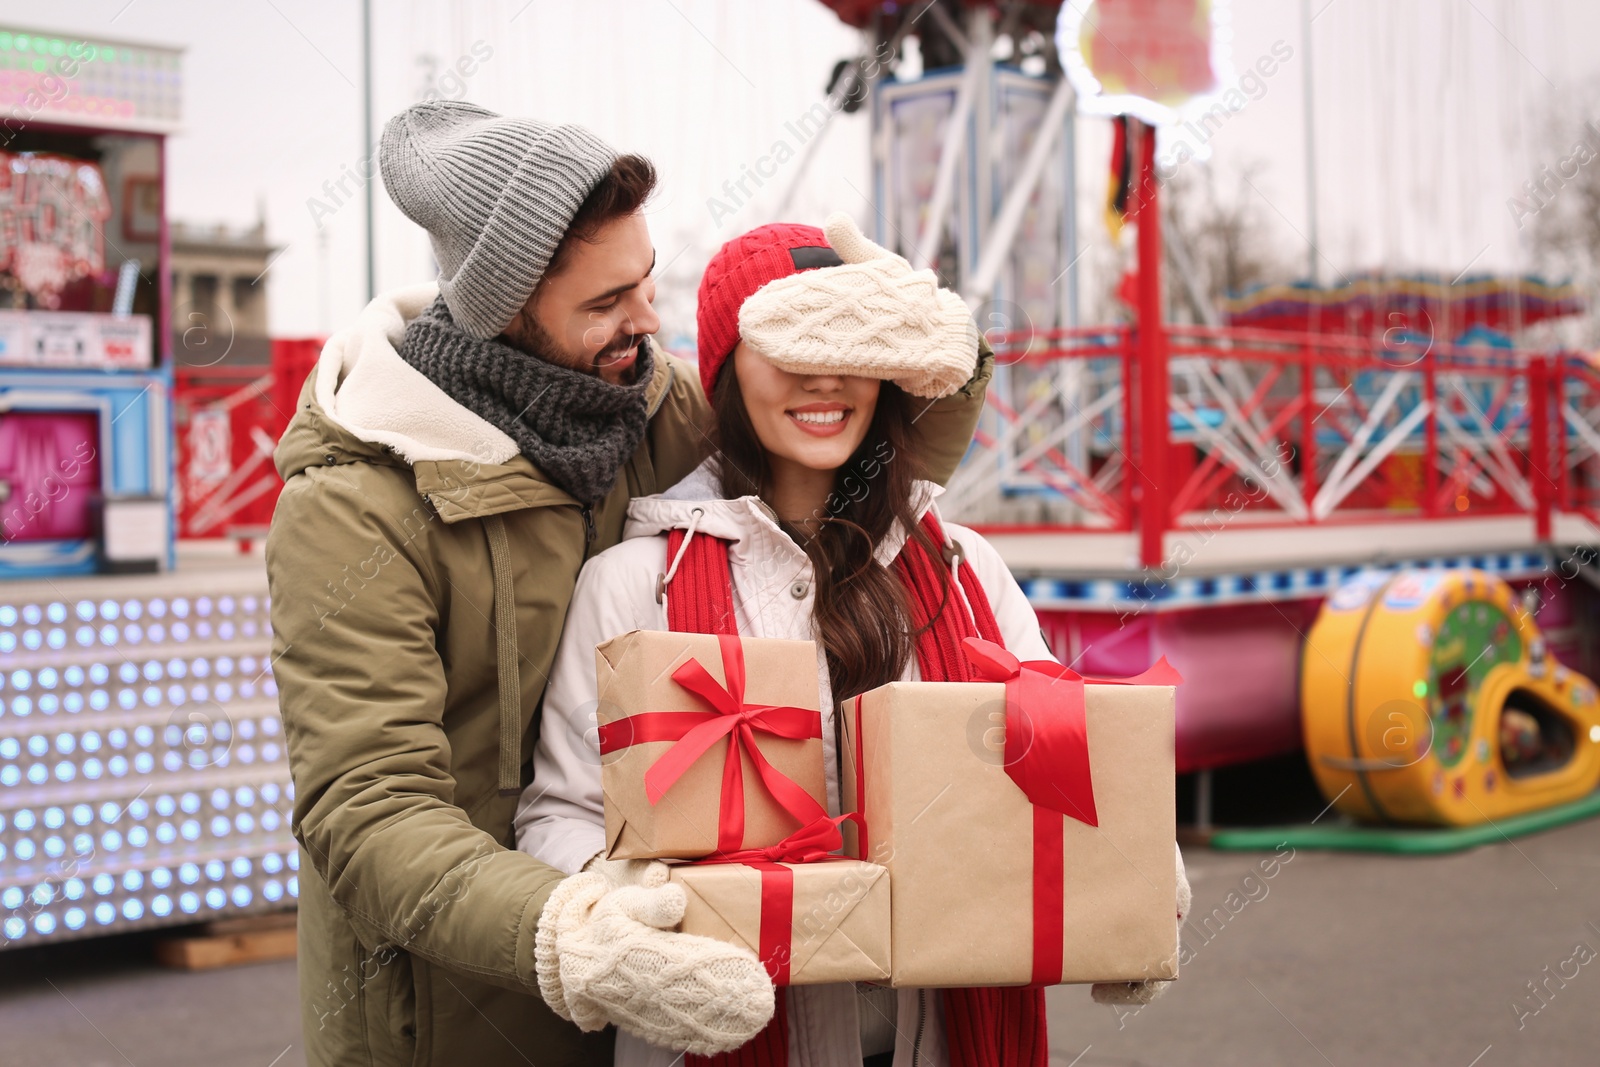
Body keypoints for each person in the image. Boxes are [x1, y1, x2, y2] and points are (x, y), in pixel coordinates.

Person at [265, 102, 995, 1067]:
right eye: (606, 302)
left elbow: (833, 467)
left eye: (647, 282)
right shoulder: (354, 508)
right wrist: (568, 931)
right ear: (504, 311)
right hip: (452, 1010)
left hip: (656, 988)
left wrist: (937, 352)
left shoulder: (648, 407)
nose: (647, 321)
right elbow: (368, 807)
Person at [517, 217, 1190, 1065]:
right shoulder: (633, 582)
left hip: (946, 1038)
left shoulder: (964, 566)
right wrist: (618, 910)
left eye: (852, 347)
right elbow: (560, 812)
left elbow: (1059, 756)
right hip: (718, 1037)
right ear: (727, 368)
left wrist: (1128, 864)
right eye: (790, 346)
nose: (826, 377)